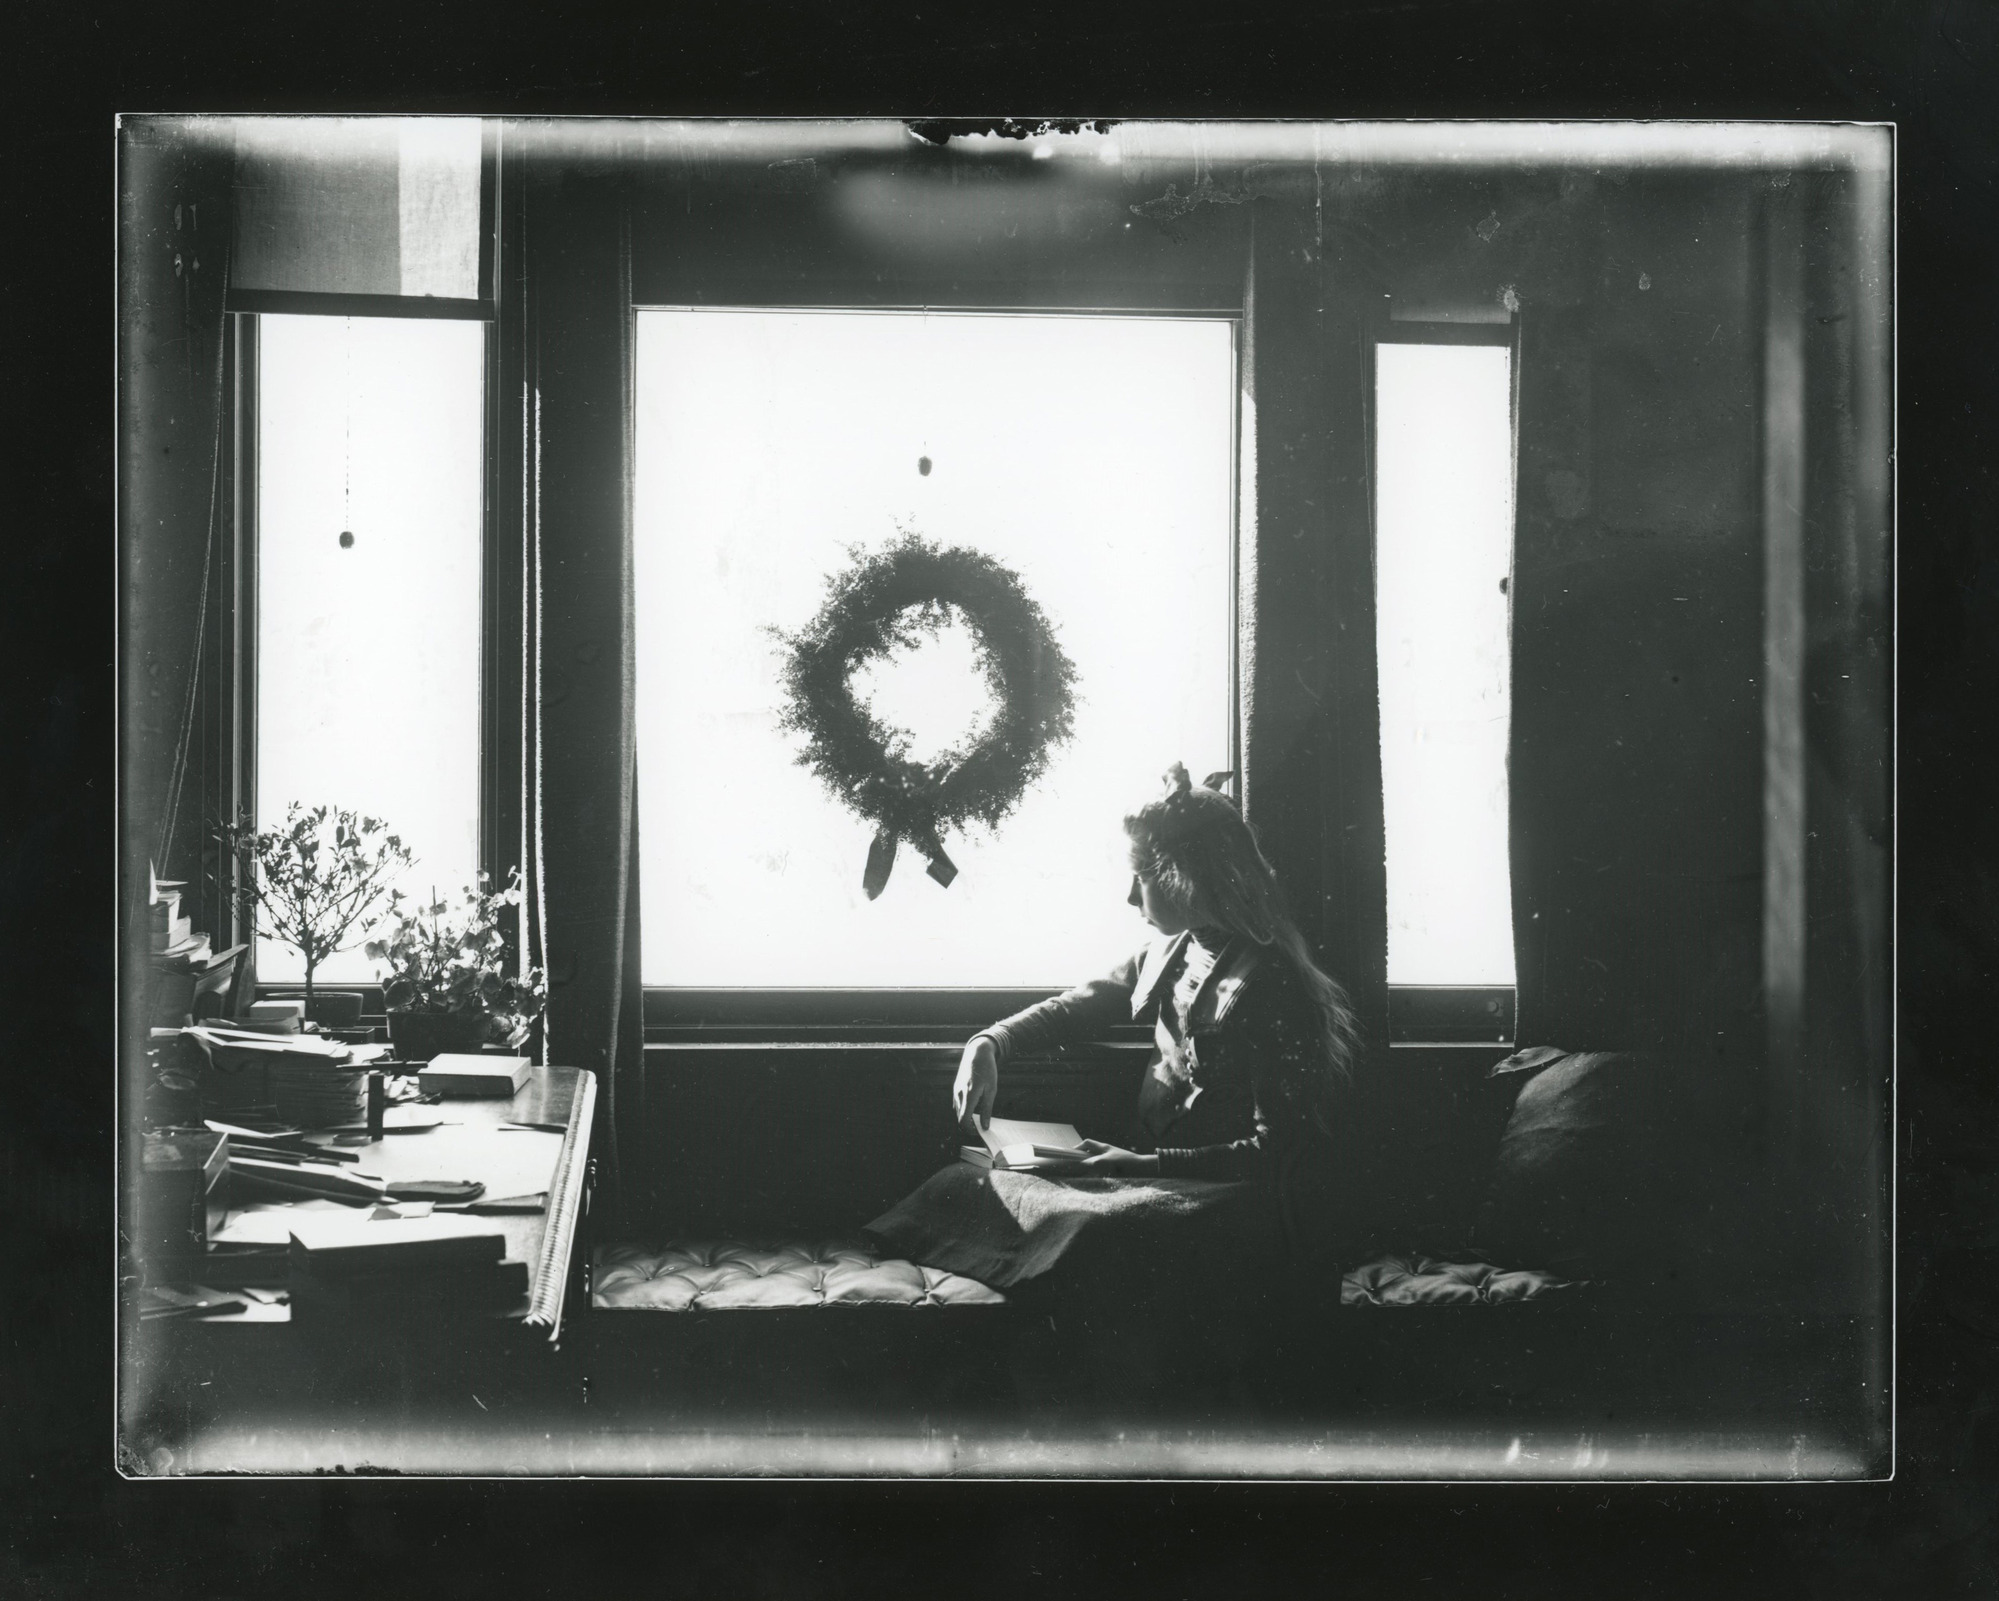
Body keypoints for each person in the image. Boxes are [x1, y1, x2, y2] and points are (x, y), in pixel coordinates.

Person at [865, 763, 1364, 1335]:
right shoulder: (1169, 949)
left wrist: (1145, 1166)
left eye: (1140, 879)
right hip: (1152, 1178)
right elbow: (1078, 1005)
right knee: (968, 1180)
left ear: (1189, 877)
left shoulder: (1273, 985)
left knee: (1091, 1227)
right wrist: (990, 1043)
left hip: (1232, 1201)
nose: (1130, 897)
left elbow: (1277, 1153)